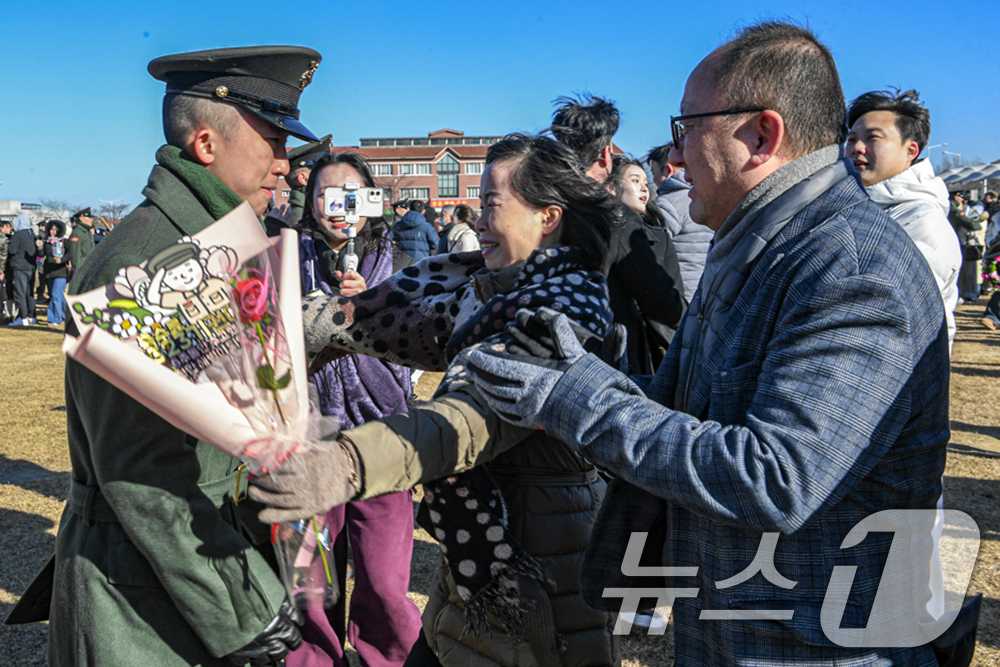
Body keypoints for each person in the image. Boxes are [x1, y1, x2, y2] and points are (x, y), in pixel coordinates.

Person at [469, 21, 962, 665]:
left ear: (761, 135)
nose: (673, 157)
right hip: (749, 624)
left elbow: (776, 477)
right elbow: (690, 407)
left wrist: (575, 396)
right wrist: (569, 370)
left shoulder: (850, 265)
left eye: (687, 128)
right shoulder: (765, 243)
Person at [249, 133, 622, 667]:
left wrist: (347, 463)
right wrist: (312, 323)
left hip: (534, 560)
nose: (479, 219)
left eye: (493, 204)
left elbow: (466, 422)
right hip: (478, 551)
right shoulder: (481, 289)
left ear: (548, 216)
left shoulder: (563, 313)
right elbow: (401, 324)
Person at [7, 45, 324, 667]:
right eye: (273, 140)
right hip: (147, 589)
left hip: (204, 553)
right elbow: (145, 471)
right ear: (207, 145)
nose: (286, 165)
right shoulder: (142, 264)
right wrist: (243, 611)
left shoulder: (219, 241)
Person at [290, 150, 422, 667]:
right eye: (325, 194)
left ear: (371, 200)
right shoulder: (283, 259)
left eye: (350, 194)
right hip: (308, 442)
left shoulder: (405, 268)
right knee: (311, 586)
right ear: (310, 201)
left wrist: (373, 309)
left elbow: (420, 348)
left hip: (384, 439)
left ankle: (388, 659)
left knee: (386, 583)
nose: (338, 207)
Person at [551, 94, 686, 374]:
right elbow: (664, 304)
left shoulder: (540, 207)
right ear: (605, 155)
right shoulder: (613, 217)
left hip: (541, 351)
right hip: (604, 362)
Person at [846, 88, 962, 351]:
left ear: (911, 150)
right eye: (851, 139)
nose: (857, 148)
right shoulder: (857, 207)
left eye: (872, 138)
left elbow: (889, 314)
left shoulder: (923, 222)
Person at [646, 142, 713, 302]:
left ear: (668, 170)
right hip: (708, 292)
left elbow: (651, 249)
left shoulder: (667, 203)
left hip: (680, 295)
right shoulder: (709, 197)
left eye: (654, 172)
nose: (653, 179)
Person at [950, 191, 984, 302]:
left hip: (955, 243)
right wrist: (976, 223)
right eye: (961, 197)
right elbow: (973, 224)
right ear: (956, 197)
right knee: (968, 271)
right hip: (959, 244)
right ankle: (968, 293)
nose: (963, 200)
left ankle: (963, 292)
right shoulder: (953, 208)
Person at [6, 213, 38, 326]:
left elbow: (12, 250)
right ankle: (31, 316)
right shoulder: (32, 234)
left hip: (19, 267)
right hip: (31, 267)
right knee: (29, 293)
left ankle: (22, 318)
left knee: (20, 293)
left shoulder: (18, 235)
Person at [42, 219, 69, 327]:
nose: (52, 232)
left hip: (60, 272)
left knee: (55, 296)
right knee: (59, 297)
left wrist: (61, 260)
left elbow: (69, 254)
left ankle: (54, 319)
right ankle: (64, 315)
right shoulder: (47, 242)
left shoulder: (64, 241)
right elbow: (41, 254)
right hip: (49, 271)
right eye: (51, 229)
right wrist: (39, 246)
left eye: (54, 229)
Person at [65, 207, 96, 275]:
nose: (91, 220)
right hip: (82, 271)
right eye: (89, 217)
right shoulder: (77, 233)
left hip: (90, 270)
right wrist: (77, 275)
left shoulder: (88, 232)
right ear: (81, 218)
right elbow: (75, 256)